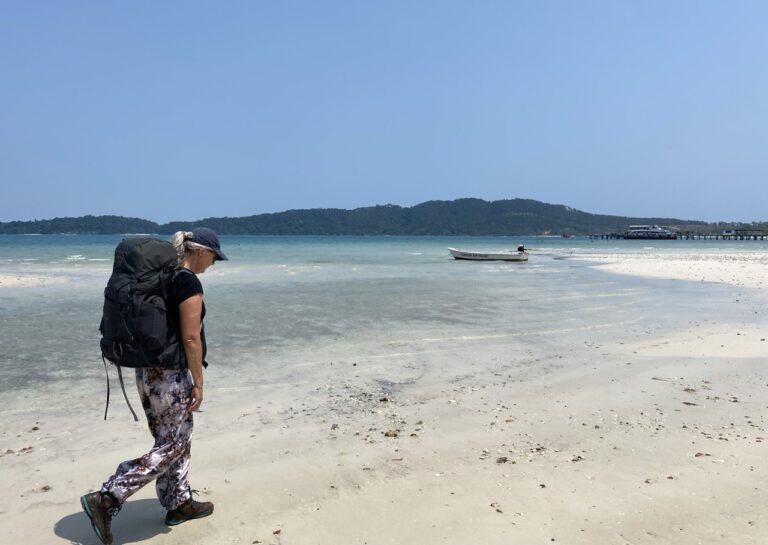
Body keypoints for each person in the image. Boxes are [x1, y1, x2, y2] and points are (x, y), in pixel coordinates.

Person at [80, 227, 228, 545]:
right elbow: (191, 337)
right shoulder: (187, 281)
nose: (213, 264)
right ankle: (108, 496)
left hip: (147, 373)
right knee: (173, 445)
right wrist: (198, 383)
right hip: (171, 376)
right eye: (214, 257)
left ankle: (178, 502)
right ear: (201, 251)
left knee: (174, 439)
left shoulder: (161, 278)